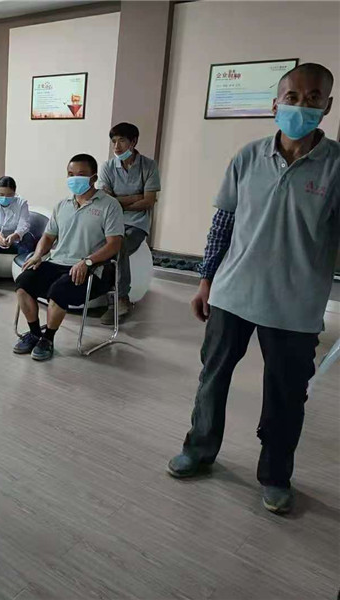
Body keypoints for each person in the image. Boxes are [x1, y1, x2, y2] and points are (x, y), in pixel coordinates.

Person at [167, 63, 339, 515]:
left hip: (295, 305)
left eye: (313, 98)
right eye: (292, 97)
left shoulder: (336, 166)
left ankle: (275, 474)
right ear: (275, 103)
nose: (301, 106)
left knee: (286, 394)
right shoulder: (247, 157)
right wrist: (206, 280)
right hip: (232, 293)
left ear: (327, 106)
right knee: (212, 377)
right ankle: (199, 449)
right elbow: (222, 223)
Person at [13, 154, 124, 361]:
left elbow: (114, 244)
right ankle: (35, 333)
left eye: (81, 174)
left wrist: (87, 261)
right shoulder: (62, 205)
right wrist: (37, 255)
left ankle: (48, 339)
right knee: (23, 283)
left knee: (59, 291)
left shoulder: (110, 205)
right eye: (70, 174)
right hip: (57, 262)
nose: (74, 179)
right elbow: (48, 236)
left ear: (93, 177)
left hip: (91, 269)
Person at [98, 122, 161, 324]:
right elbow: (106, 201)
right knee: (94, 243)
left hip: (137, 224)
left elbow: (149, 201)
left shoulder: (148, 166)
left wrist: (118, 201)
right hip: (111, 222)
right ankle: (92, 291)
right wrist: (136, 197)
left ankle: (120, 299)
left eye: (122, 141)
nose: (116, 147)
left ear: (133, 142)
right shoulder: (107, 167)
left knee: (119, 246)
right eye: (113, 141)